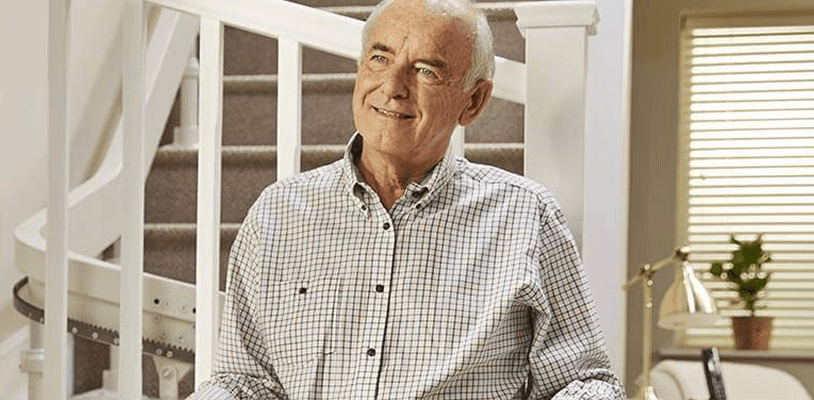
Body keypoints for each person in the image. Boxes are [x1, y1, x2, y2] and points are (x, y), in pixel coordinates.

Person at [186, 0, 623, 398]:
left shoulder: (527, 216)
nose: (392, 86)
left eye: (426, 71)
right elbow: (244, 381)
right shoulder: (277, 214)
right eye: (380, 58)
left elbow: (585, 382)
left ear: (473, 102)